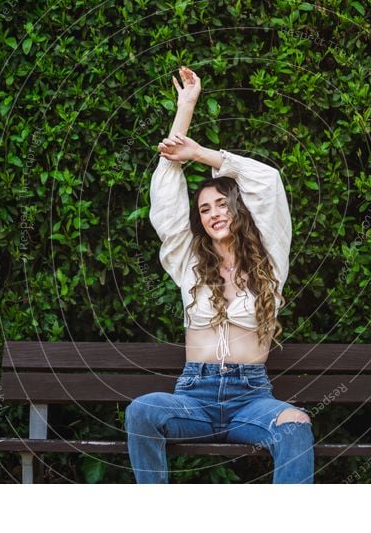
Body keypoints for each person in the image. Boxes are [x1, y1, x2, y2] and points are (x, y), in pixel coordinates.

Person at [125, 66, 314, 484]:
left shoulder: (270, 261)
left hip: (252, 398)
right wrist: (185, 107)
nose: (214, 214)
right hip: (194, 397)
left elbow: (268, 181)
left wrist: (201, 155)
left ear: (238, 209)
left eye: (222, 204)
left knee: (296, 425)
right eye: (205, 209)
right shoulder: (188, 262)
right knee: (141, 412)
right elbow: (165, 190)